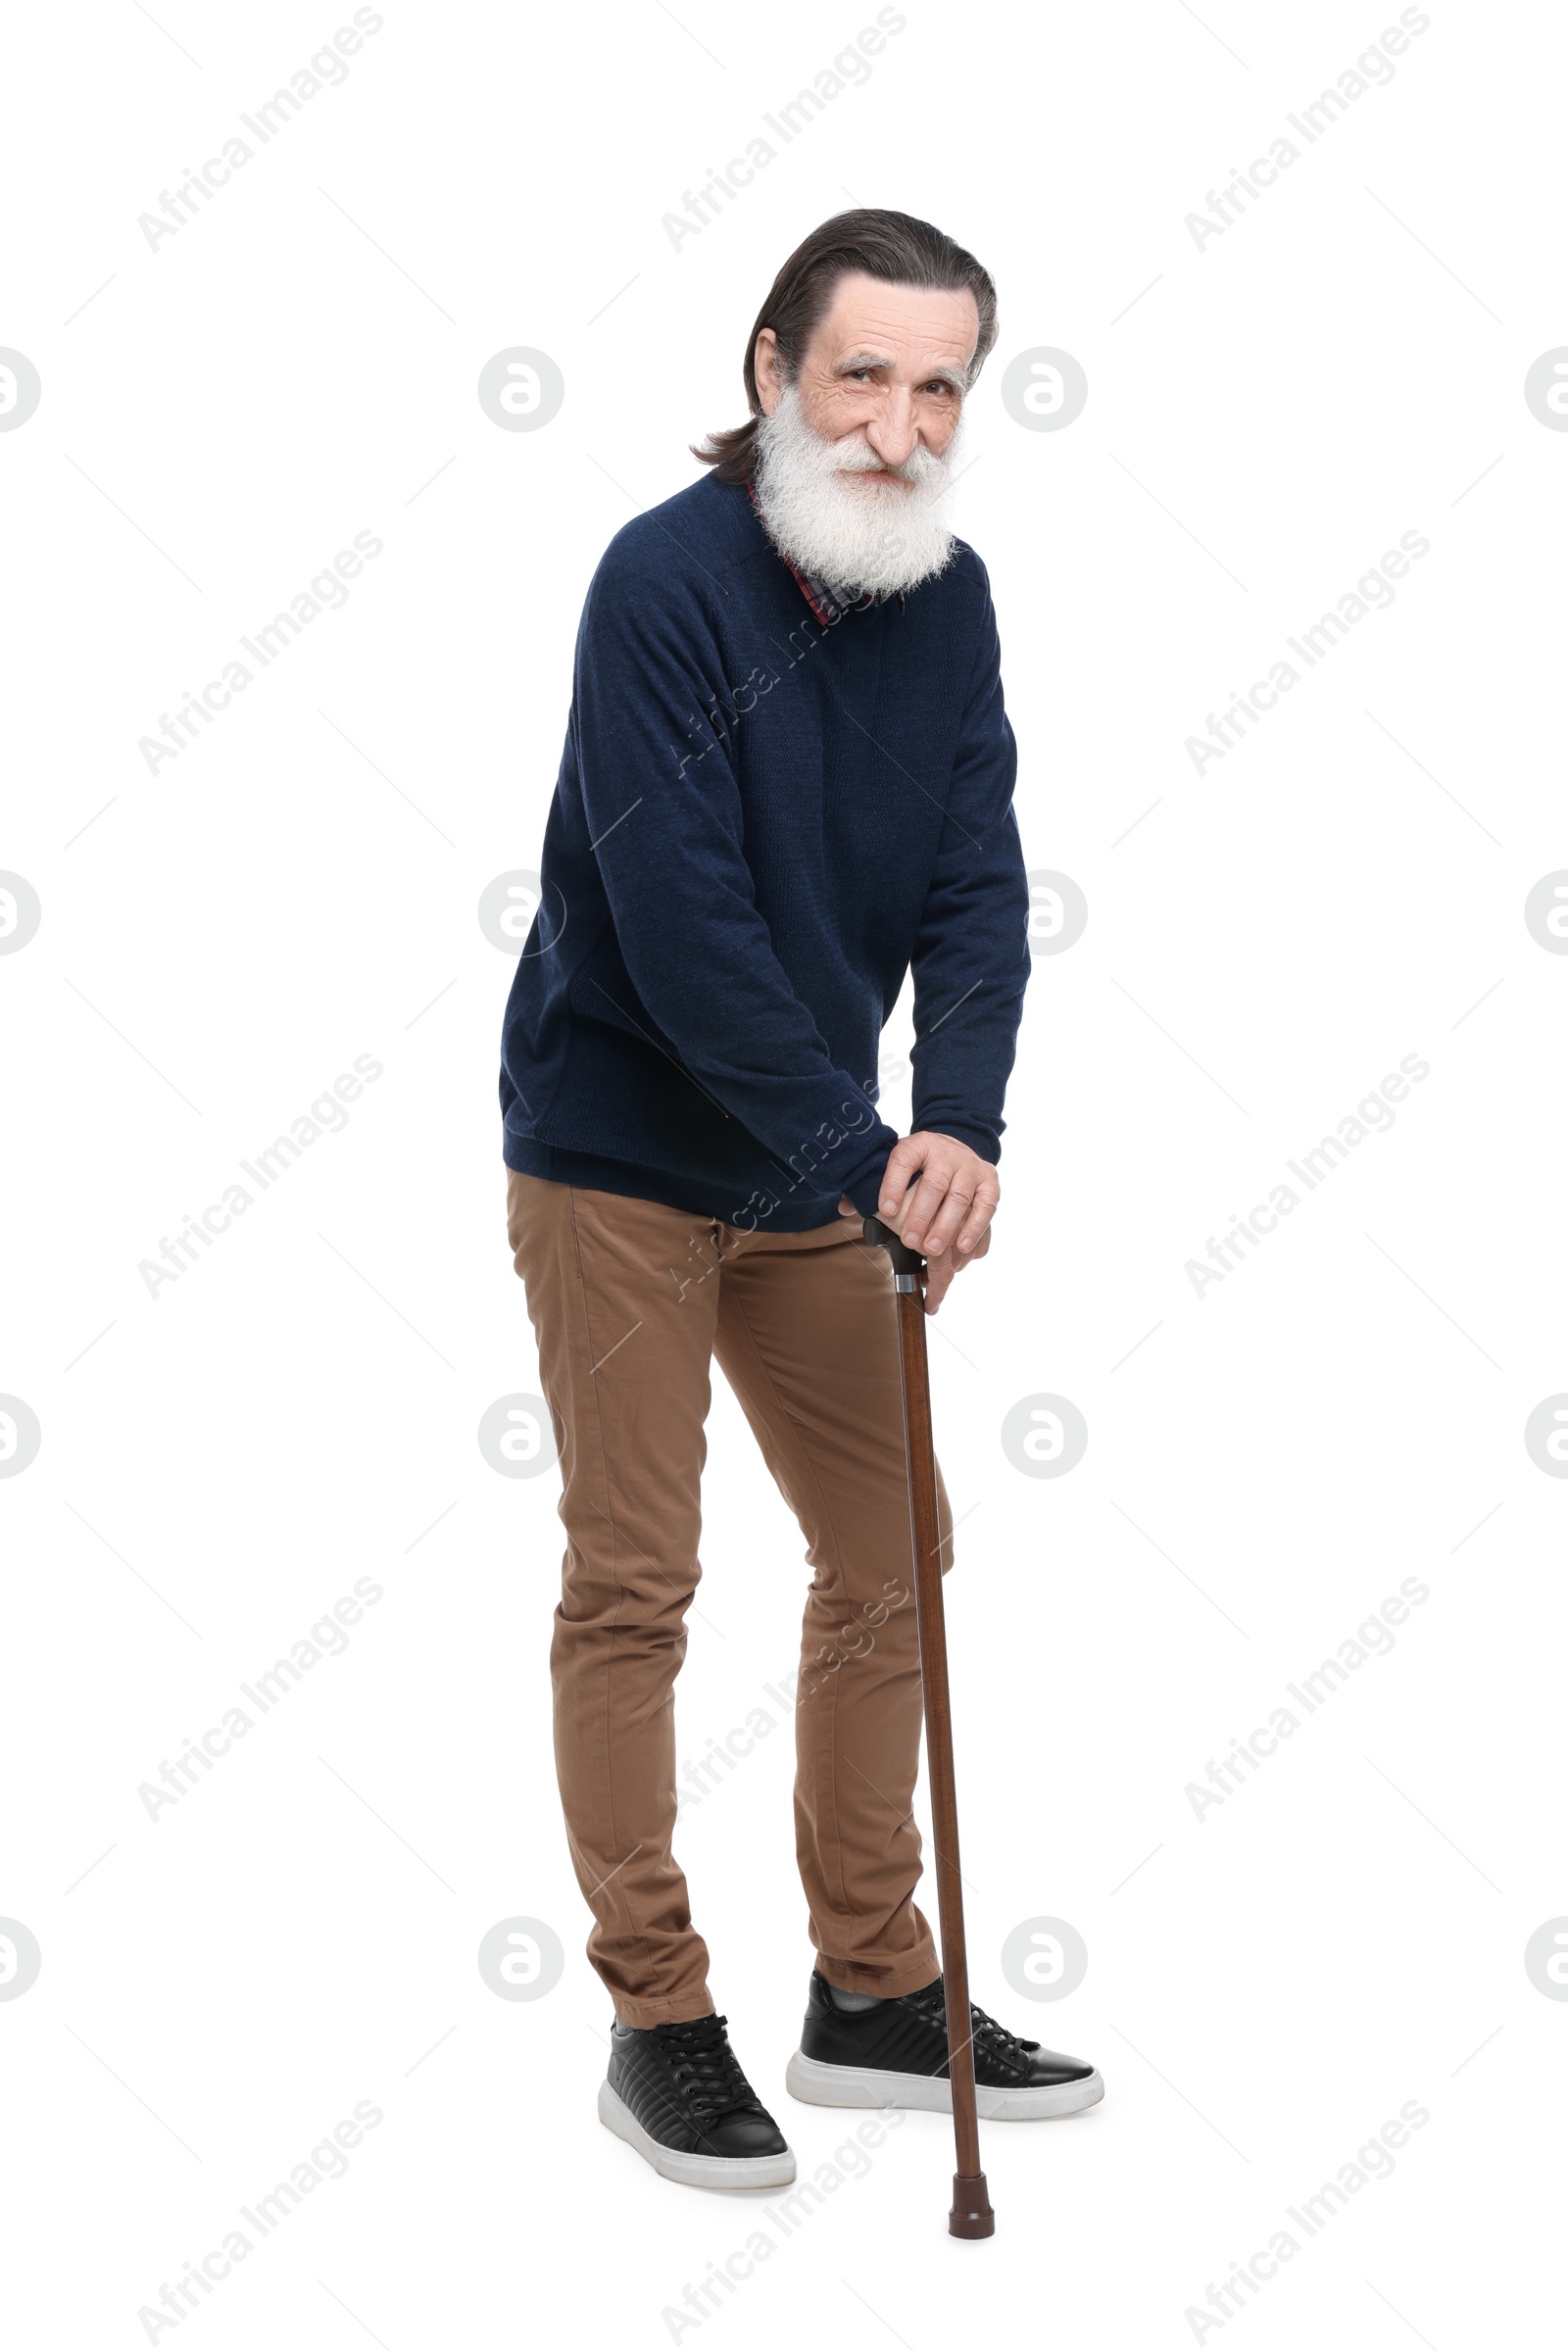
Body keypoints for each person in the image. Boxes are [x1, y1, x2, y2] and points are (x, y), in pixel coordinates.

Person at [500, 208, 1102, 2189]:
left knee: (891, 1558)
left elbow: (970, 883)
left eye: (938, 384)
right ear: (769, 370)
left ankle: (866, 1987)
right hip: (623, 1161)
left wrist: (964, 1122)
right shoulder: (658, 584)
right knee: (637, 1583)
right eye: (860, 373)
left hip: (814, 1166)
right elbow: (678, 936)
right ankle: (657, 2012)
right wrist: (872, 1163)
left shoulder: (948, 598)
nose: (896, 424)